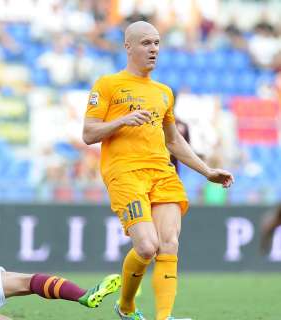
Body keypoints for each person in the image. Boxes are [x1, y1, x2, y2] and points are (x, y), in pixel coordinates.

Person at [82, 21, 234, 320]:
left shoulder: (164, 93)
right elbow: (89, 134)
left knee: (169, 243)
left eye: (157, 43)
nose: (153, 49)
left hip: (162, 173)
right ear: (128, 46)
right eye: (146, 43)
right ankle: (126, 307)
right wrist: (122, 121)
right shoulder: (107, 85)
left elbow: (173, 140)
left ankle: (164, 318)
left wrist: (207, 171)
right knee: (148, 245)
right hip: (125, 172)